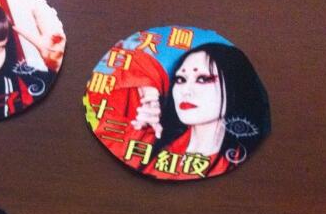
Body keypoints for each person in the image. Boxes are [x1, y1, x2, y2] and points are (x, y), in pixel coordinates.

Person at [91, 43, 269, 179]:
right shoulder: (145, 142)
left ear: (236, 86)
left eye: (203, 79)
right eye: (181, 79)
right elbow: (101, 86)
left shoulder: (241, 165)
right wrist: (150, 92)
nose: (185, 91)